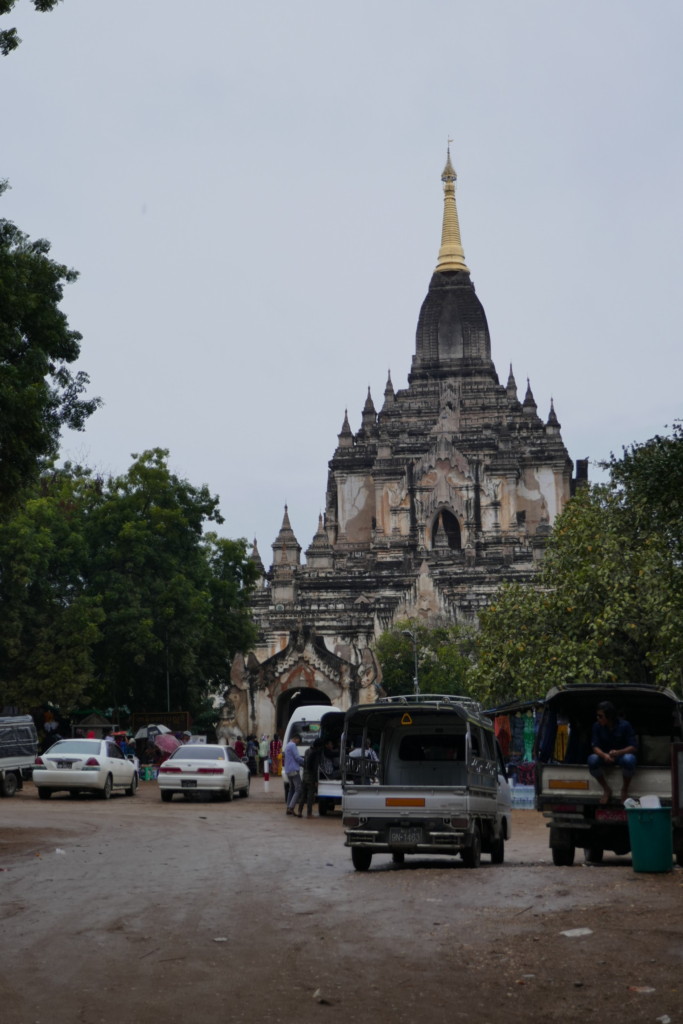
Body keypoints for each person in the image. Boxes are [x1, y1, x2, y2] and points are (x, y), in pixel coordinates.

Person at [588, 701, 637, 804]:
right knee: (592, 759)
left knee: (629, 759)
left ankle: (624, 789)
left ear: (609, 716)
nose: (598, 718)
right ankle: (606, 789)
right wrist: (604, 755)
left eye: (600, 716)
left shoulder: (625, 725)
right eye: (597, 716)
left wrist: (618, 752)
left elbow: (633, 747)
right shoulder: (596, 726)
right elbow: (595, 747)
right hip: (604, 756)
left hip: (620, 757)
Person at [297, 738, 322, 818]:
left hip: (305, 775)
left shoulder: (307, 751)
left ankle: (299, 812)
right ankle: (309, 813)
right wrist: (316, 780)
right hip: (311, 777)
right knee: (310, 796)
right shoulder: (315, 753)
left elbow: (305, 763)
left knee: (303, 795)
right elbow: (314, 768)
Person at [284, 732, 304, 815]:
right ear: (296, 739)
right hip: (294, 770)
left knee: (291, 789)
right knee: (298, 789)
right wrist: (305, 761)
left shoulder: (287, 745)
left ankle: (288, 806)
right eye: (298, 741)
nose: (298, 743)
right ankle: (291, 807)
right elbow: (297, 757)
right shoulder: (293, 745)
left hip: (288, 770)